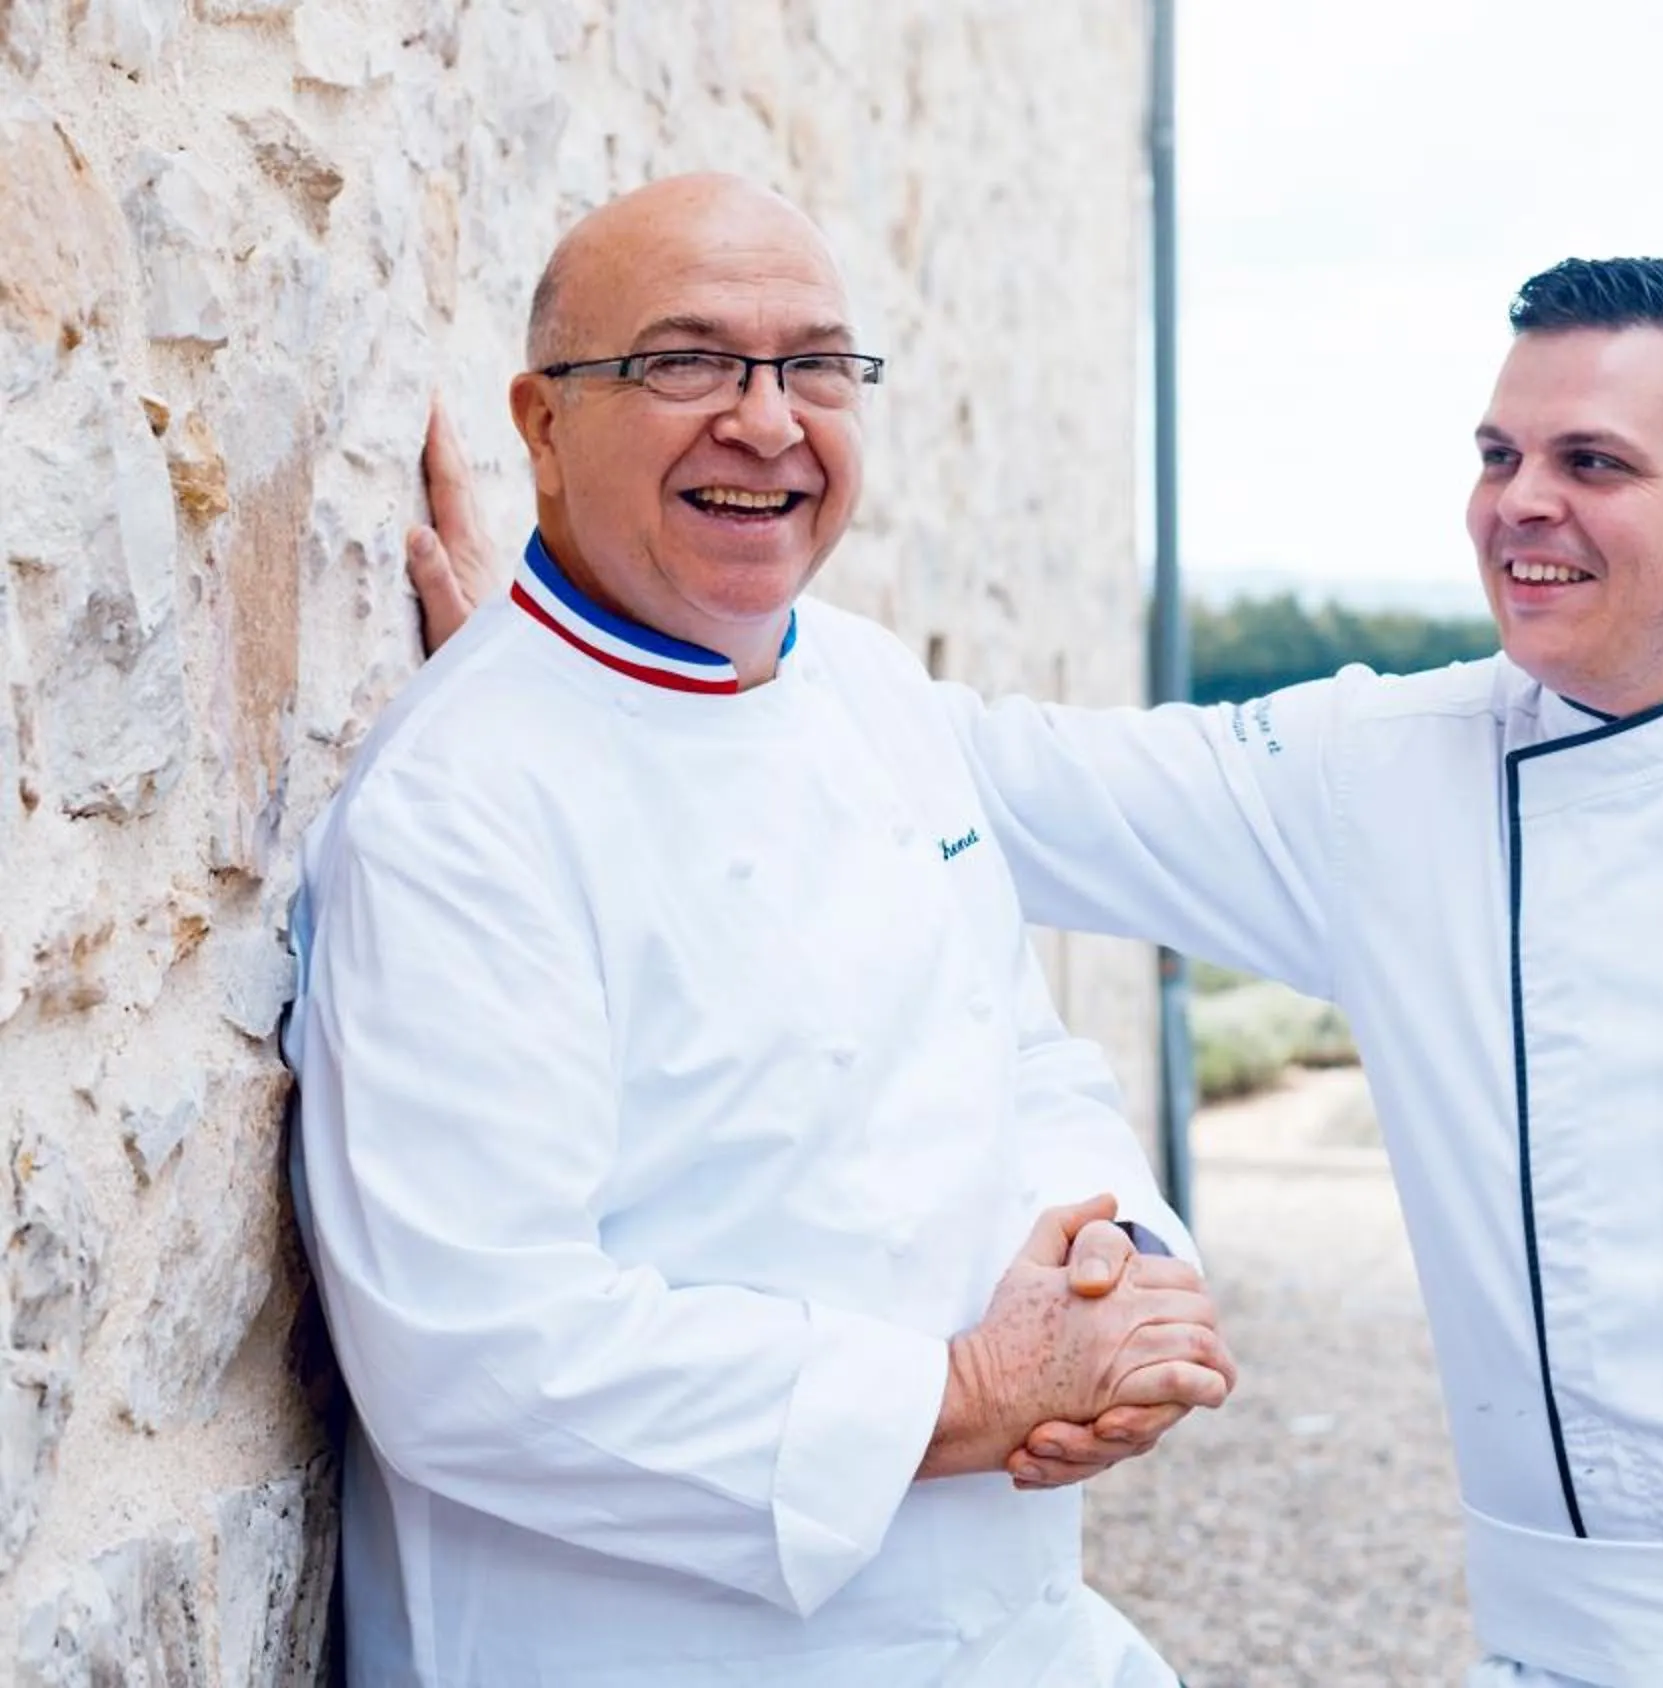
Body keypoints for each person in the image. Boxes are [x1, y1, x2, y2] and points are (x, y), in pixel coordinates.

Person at [409, 252, 1663, 1685]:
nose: (1520, 509)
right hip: (1548, 1638)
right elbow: (936, 763)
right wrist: (586, 652)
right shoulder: (1372, 772)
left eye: (1594, 465)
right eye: (1499, 457)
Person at [286, 174, 1235, 1687]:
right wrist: (974, 1393)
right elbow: (477, 1355)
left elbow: (1022, 1056)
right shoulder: (458, 804)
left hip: (1016, 1629)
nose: (769, 422)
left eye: (816, 366)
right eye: (687, 362)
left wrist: (1121, 1274)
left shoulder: (873, 686)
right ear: (542, 424)